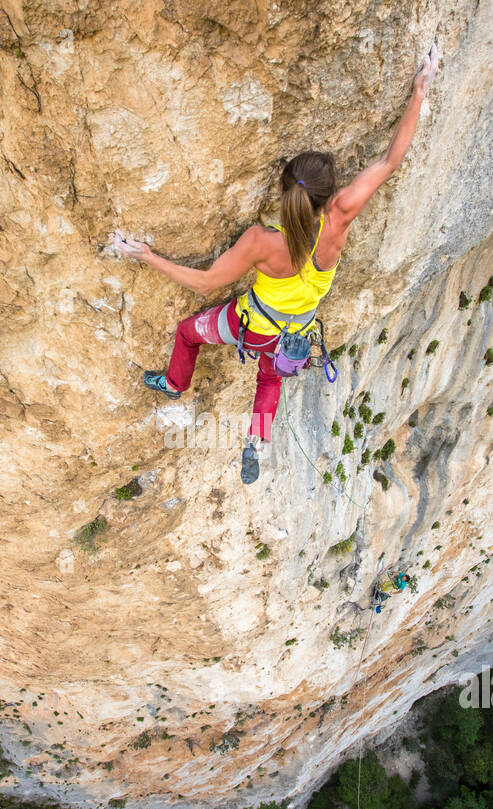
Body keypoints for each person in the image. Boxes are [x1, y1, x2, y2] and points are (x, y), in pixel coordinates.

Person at [116, 44, 438, 484]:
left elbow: (205, 284)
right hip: (293, 337)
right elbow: (389, 161)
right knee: (269, 383)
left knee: (188, 333)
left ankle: (174, 384)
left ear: (284, 190)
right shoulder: (339, 218)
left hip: (250, 324)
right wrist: (419, 90)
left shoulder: (260, 243)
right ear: (328, 196)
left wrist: (149, 256)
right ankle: (256, 442)